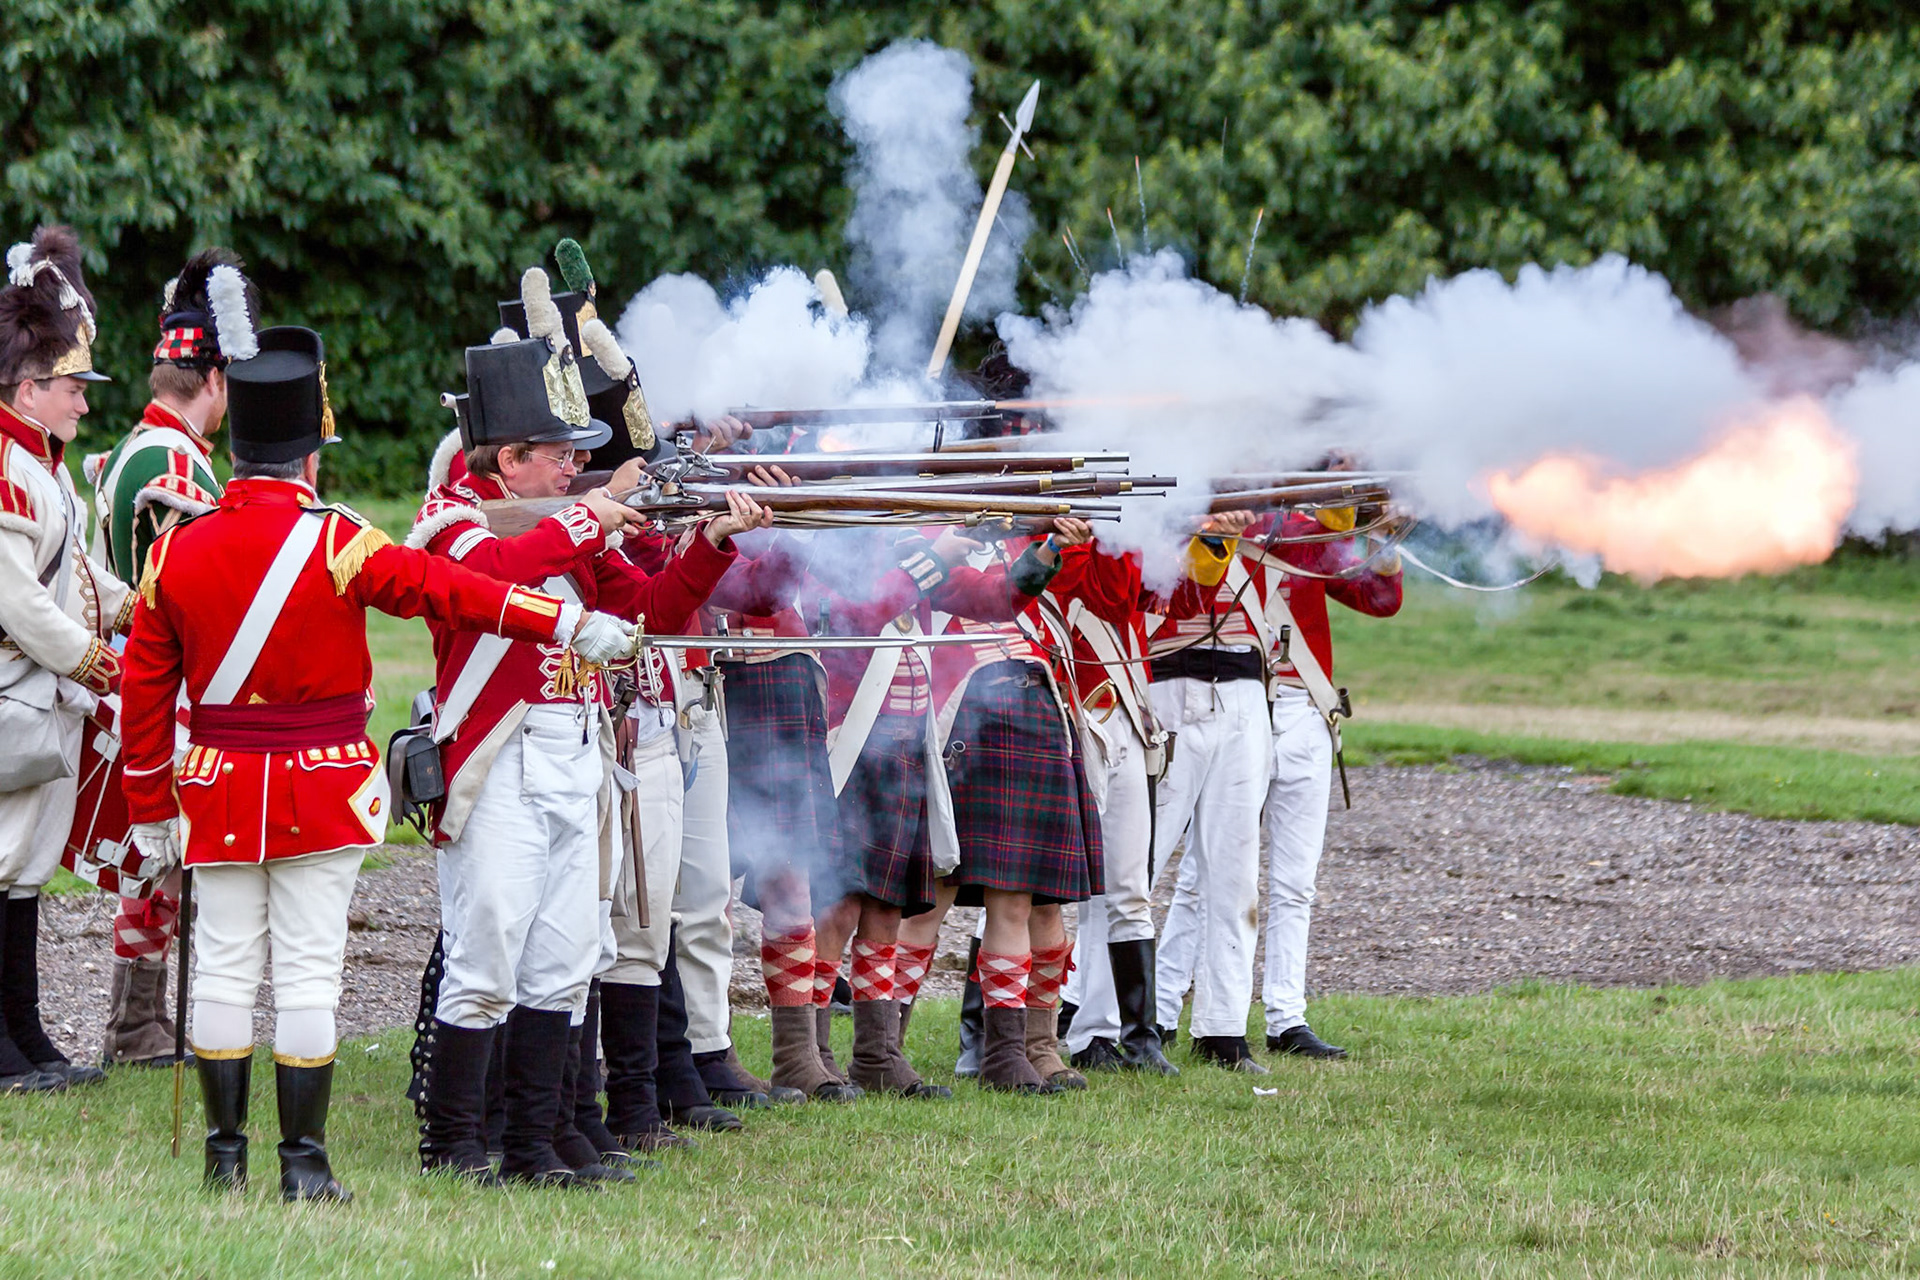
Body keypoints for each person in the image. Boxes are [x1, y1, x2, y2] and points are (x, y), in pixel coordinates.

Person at [119, 324, 637, 1202]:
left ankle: (224, 1159)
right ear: (309, 455)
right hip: (320, 783)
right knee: (308, 974)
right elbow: (455, 592)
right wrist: (563, 621)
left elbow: (143, 691)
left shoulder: (176, 548)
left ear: (235, 449)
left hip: (216, 788)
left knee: (225, 967)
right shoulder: (340, 540)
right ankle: (303, 1166)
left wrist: (148, 809)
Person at [409, 314, 763, 1187]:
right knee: (487, 953)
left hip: (577, 754)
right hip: (498, 757)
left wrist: (710, 544)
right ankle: (454, 1140)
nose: (575, 468)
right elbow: (488, 575)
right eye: (560, 454)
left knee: (564, 961)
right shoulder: (453, 517)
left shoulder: (568, 526)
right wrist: (585, 520)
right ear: (509, 458)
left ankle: (538, 1142)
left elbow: (648, 611)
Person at [83, 247, 257, 1069]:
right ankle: (136, 1026)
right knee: (163, 858)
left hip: (148, 671)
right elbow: (200, 590)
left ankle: (139, 1021)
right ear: (214, 379)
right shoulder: (172, 461)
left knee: (156, 861)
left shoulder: (143, 445)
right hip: (171, 679)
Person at [1164, 491, 1401, 1062]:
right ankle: (1161, 1009)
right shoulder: (1212, 523)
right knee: (1201, 874)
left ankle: (1286, 1016)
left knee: (1296, 882)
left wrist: (1384, 532)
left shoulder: (1307, 531)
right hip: (1236, 699)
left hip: (1304, 705)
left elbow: (1378, 597)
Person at [893, 523, 1101, 1094]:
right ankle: (884, 1049)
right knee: (932, 898)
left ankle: (1029, 1050)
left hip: (1039, 712)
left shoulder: (1019, 535)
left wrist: (1058, 543)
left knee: (1028, 901)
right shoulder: (923, 534)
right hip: (963, 720)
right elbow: (983, 594)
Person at [0, 224, 123, 1093]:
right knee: (1, 859)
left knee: (26, 869)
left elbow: (75, 573)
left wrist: (138, 606)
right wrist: (99, 664)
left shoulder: (45, 466)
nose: (83, 404)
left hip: (40, 691)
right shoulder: (7, 467)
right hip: (15, 683)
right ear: (30, 387)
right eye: (73, 388)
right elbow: (18, 601)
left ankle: (25, 1033)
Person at [1038, 541, 1179, 1077]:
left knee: (1128, 889)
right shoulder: (1053, 538)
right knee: (1021, 891)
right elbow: (1113, 593)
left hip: (1125, 713)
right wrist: (1108, 528)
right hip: (1064, 714)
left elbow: (1161, 597)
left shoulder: (1117, 535)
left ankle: (1132, 1038)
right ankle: (986, 1036)